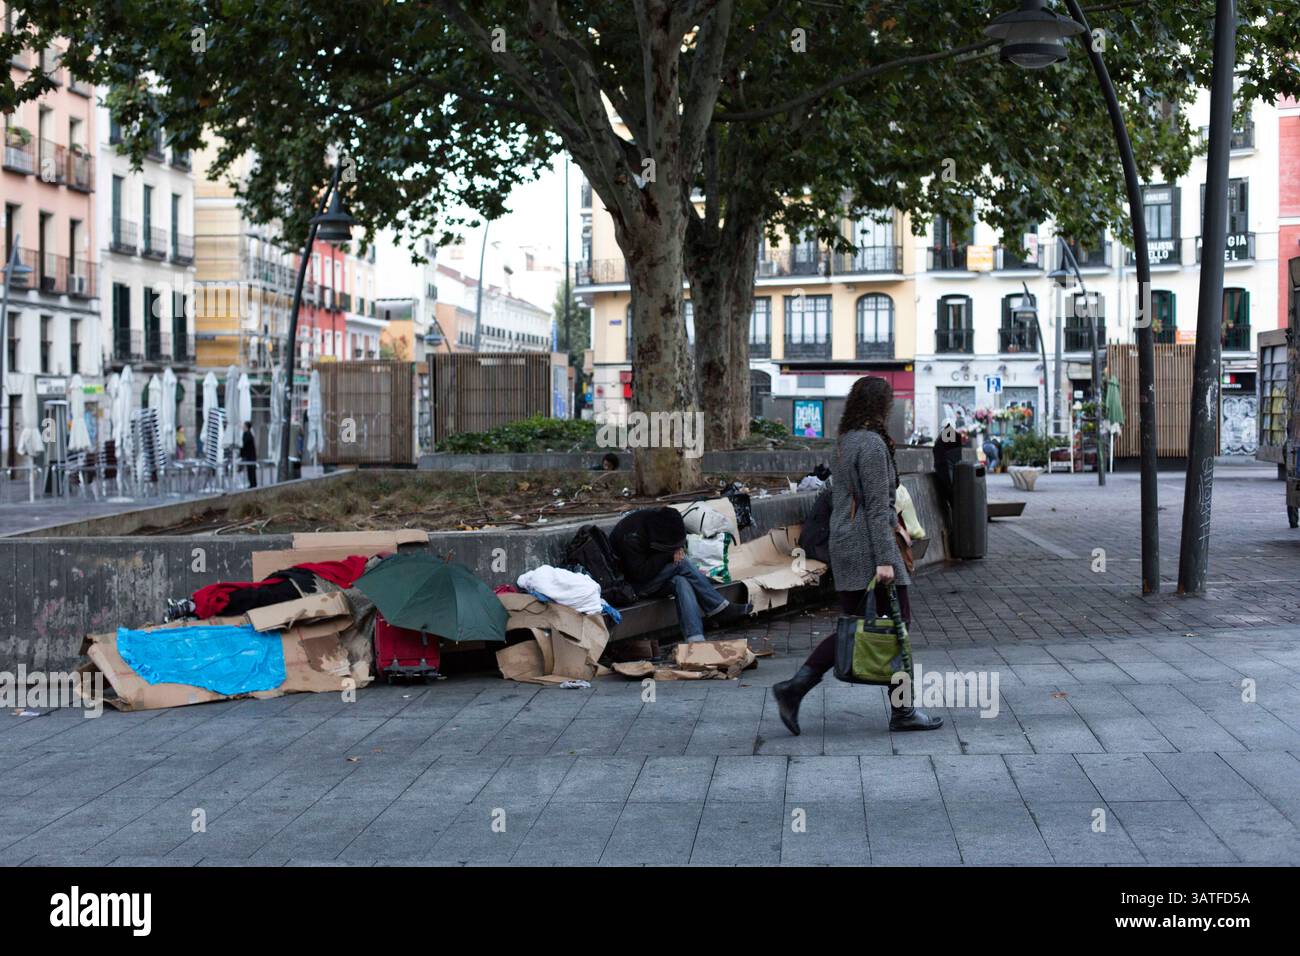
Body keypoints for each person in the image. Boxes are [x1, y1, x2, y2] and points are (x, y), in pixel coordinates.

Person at [772, 375, 943, 734]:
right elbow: (879, 508)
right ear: (881, 406)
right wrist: (884, 559)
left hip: (846, 543)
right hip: (870, 547)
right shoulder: (872, 446)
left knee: (853, 624)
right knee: (899, 625)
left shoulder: (845, 442)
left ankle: (794, 688)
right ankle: (903, 711)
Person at [610, 506, 751, 643]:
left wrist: (677, 548)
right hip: (634, 586)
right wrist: (668, 554)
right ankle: (718, 608)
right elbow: (640, 574)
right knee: (682, 564)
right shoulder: (631, 537)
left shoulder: (660, 521)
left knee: (681, 581)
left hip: (654, 576)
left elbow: (672, 538)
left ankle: (695, 639)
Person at [240, 421, 258, 487]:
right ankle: (253, 484)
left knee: (251, 471)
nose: (242, 427)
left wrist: (241, 454)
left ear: (246, 427)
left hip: (250, 456)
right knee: (251, 471)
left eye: (243, 426)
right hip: (251, 456)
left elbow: (244, 445)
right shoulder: (249, 434)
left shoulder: (247, 434)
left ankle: (252, 485)